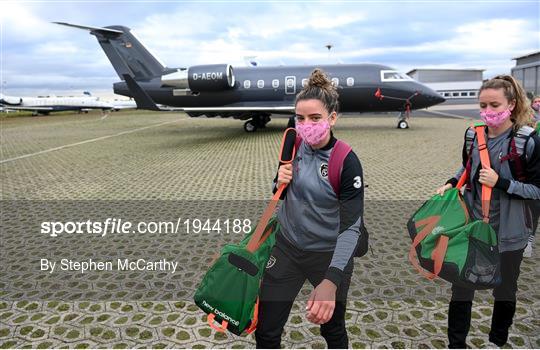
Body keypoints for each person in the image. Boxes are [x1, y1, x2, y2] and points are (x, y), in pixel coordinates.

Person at [255, 69, 364, 349]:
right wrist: (277, 182)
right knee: (266, 332)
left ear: (332, 118)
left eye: (315, 118)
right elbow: (280, 189)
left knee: (333, 331)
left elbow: (352, 227)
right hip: (287, 248)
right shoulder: (293, 142)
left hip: (327, 256)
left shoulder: (346, 160)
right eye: (300, 118)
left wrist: (331, 280)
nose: (306, 125)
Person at [436, 75, 540, 348]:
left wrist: (502, 183)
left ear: (512, 104)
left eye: (495, 105)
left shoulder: (526, 141)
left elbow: (537, 190)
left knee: (505, 291)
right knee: (461, 289)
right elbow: (469, 168)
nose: (489, 112)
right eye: (483, 105)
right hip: (472, 229)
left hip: (510, 233)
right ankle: (455, 344)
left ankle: (496, 341)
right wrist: (451, 182)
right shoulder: (473, 134)